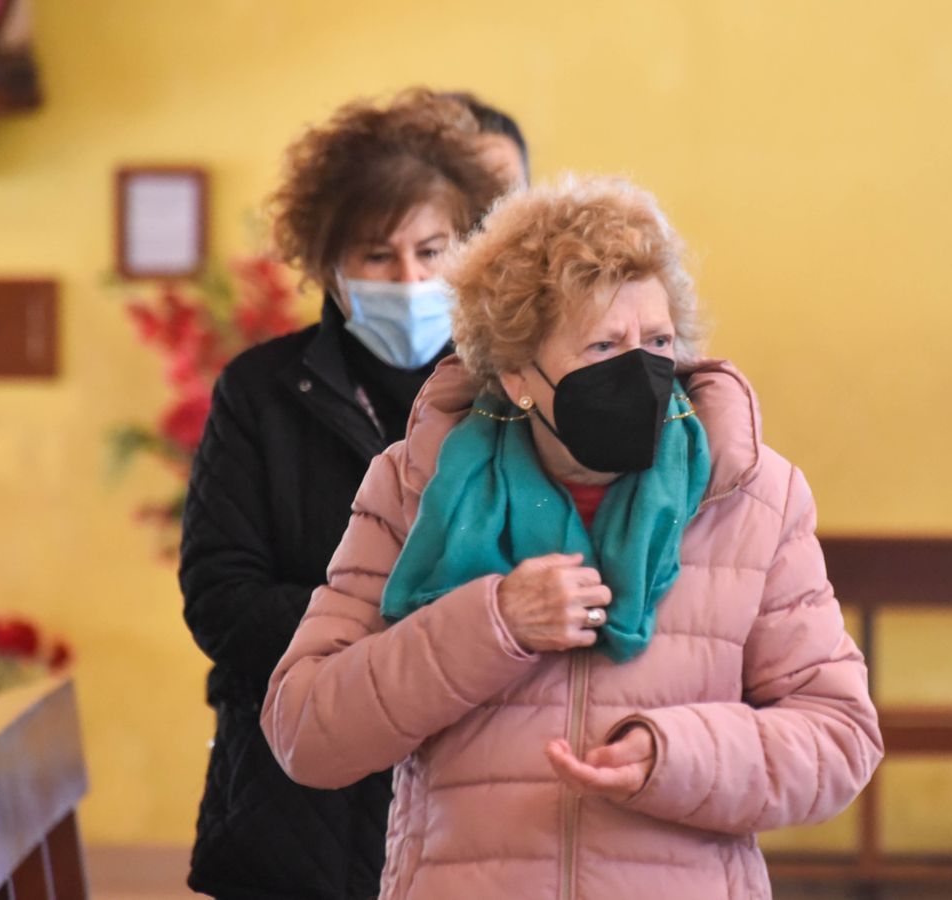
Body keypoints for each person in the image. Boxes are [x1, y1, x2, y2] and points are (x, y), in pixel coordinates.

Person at [261, 175, 883, 899]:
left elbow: (839, 737)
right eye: (601, 346)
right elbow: (307, 730)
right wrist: (491, 623)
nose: (641, 370)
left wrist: (672, 755)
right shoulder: (412, 487)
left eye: (657, 341)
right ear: (519, 375)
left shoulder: (752, 495)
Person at [178, 88, 519, 899]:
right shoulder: (259, 393)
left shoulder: (512, 390)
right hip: (294, 801)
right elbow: (221, 599)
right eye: (376, 254)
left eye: (432, 250)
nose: (409, 277)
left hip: (470, 788)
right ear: (328, 264)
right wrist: (412, 640)